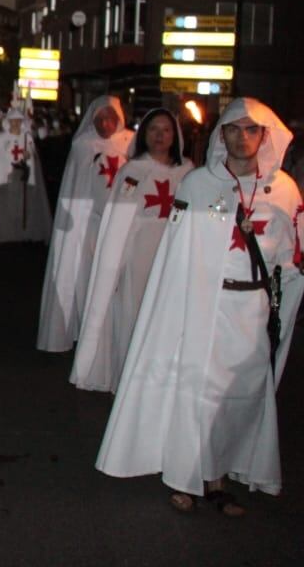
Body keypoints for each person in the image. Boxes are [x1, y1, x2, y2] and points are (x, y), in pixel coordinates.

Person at [96, 98, 303, 515]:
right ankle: (187, 477)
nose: (242, 138)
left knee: (240, 395)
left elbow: (291, 257)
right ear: (220, 135)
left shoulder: (284, 190)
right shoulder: (199, 185)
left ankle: (220, 473)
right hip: (204, 303)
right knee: (195, 391)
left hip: (253, 308)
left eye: (251, 129)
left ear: (265, 135)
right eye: (233, 129)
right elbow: (178, 255)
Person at [71, 109, 192, 392]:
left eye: (165, 130)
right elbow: (119, 222)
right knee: (135, 312)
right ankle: (131, 380)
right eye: (153, 129)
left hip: (174, 254)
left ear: (175, 135)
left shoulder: (188, 172)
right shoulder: (132, 171)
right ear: (143, 134)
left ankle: (162, 383)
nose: (160, 135)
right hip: (139, 254)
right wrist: (116, 262)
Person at [37, 96, 133, 352]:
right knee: (83, 273)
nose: (105, 123)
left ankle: (111, 332)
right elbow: (74, 188)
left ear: (119, 118)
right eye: (99, 118)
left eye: (110, 117)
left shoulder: (131, 144)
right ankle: (81, 328)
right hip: (87, 223)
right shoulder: (83, 146)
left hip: (118, 221)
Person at [0, 107, 52, 246]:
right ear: (8, 122)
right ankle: (6, 232)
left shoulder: (26, 137)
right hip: (7, 178)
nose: (15, 124)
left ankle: (23, 232)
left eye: (18, 121)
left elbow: (32, 156)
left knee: (23, 204)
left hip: (23, 178)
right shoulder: (3, 139)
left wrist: (28, 157)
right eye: (13, 121)